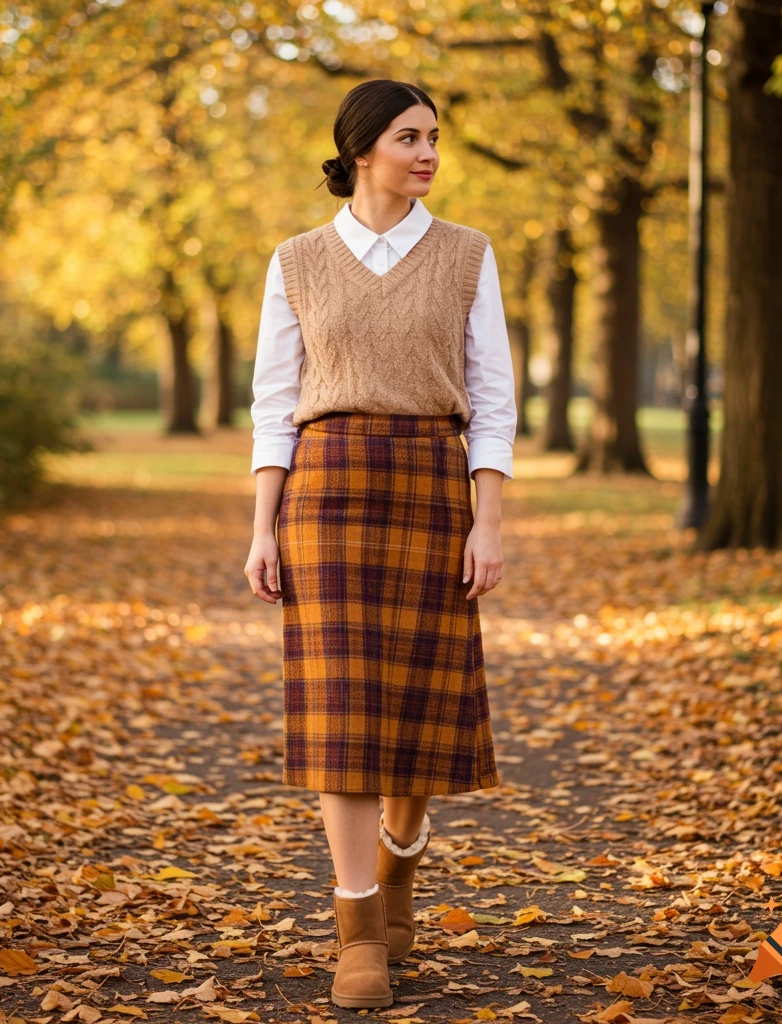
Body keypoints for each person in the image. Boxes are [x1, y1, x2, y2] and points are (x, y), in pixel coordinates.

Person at [243, 78, 517, 1010]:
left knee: (418, 709)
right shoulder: (296, 262)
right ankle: (357, 927)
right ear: (364, 150)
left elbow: (494, 400)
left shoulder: (470, 255)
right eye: (410, 137)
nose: (429, 152)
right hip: (326, 495)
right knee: (345, 716)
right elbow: (274, 405)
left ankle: (402, 857)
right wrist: (260, 526)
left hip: (432, 487)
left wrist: (489, 519)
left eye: (434, 136)